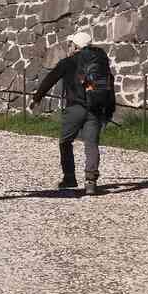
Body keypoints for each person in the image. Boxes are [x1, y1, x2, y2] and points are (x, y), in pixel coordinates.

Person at [31, 29, 118, 194]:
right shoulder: (100, 62)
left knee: (65, 141)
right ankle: (91, 181)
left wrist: (36, 98)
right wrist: (109, 110)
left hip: (75, 108)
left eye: (70, 44)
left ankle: (69, 177)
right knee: (91, 144)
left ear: (77, 46)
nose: (68, 46)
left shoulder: (68, 62)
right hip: (95, 109)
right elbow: (108, 85)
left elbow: (50, 79)